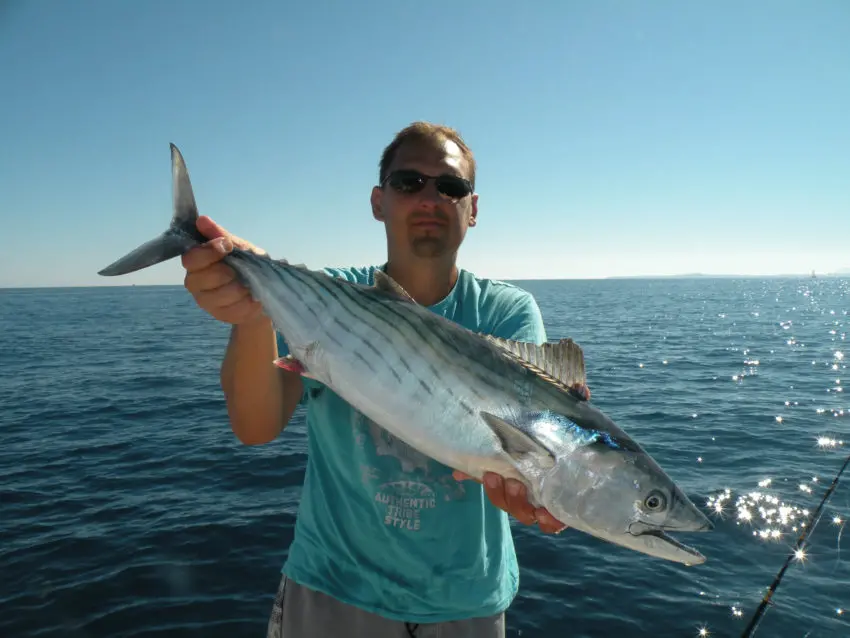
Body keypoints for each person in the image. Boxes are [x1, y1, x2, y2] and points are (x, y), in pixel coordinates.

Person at [181, 122, 579, 637]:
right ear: (378, 200)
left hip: (466, 600)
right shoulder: (327, 298)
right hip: (333, 589)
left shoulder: (507, 311)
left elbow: (538, 445)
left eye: (451, 187)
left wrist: (543, 490)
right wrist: (252, 311)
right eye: (409, 182)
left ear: (473, 209)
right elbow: (254, 426)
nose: (431, 197)